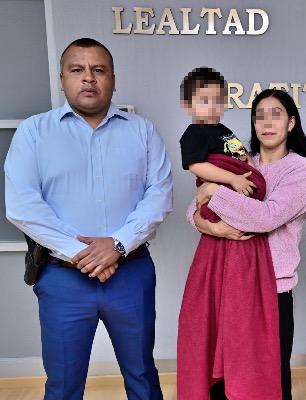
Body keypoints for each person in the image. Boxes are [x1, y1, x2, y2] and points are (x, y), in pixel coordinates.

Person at [4, 38, 173, 399]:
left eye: (98, 70)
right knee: (63, 383)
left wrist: (117, 245)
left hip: (130, 273)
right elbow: (23, 205)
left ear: (113, 79)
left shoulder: (142, 131)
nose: (88, 78)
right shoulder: (34, 132)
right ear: (62, 79)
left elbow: (159, 196)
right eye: (77, 70)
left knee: (142, 375)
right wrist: (83, 253)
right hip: (62, 278)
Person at [178, 89, 306, 400]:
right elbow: (193, 208)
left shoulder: (301, 169)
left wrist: (214, 191)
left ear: (291, 122)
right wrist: (208, 223)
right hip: (225, 285)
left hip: (271, 291)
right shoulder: (239, 162)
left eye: (276, 115)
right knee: (222, 381)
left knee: (266, 382)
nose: (267, 123)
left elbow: (267, 217)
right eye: (259, 116)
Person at [179, 67, 257, 199]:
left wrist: (254, 173)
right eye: (204, 101)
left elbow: (242, 154)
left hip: (241, 186)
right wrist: (233, 179)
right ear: (187, 106)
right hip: (219, 191)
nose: (212, 107)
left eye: (218, 101)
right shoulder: (194, 133)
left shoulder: (223, 129)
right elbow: (196, 165)